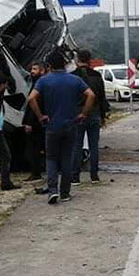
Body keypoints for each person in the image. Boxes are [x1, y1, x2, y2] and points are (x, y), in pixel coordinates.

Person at [28, 49, 95, 204]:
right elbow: (91, 95)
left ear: (49, 65)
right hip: (71, 124)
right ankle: (65, 193)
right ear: (64, 64)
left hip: (52, 125)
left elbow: (31, 98)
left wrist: (40, 116)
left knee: (51, 158)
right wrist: (84, 113)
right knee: (66, 158)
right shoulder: (74, 80)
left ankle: (53, 191)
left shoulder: (44, 81)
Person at [71, 49, 109, 184]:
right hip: (94, 113)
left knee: (76, 145)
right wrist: (103, 116)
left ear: (77, 60)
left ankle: (75, 177)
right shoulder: (97, 76)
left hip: (77, 114)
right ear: (89, 60)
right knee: (94, 146)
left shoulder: (72, 76)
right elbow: (102, 98)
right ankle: (94, 175)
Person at [22, 61, 46, 181]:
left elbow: (33, 104)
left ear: (42, 71)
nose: (32, 71)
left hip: (37, 122)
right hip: (40, 121)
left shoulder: (39, 84)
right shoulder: (38, 83)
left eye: (35, 69)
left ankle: (36, 172)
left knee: (33, 149)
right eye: (32, 69)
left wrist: (29, 123)